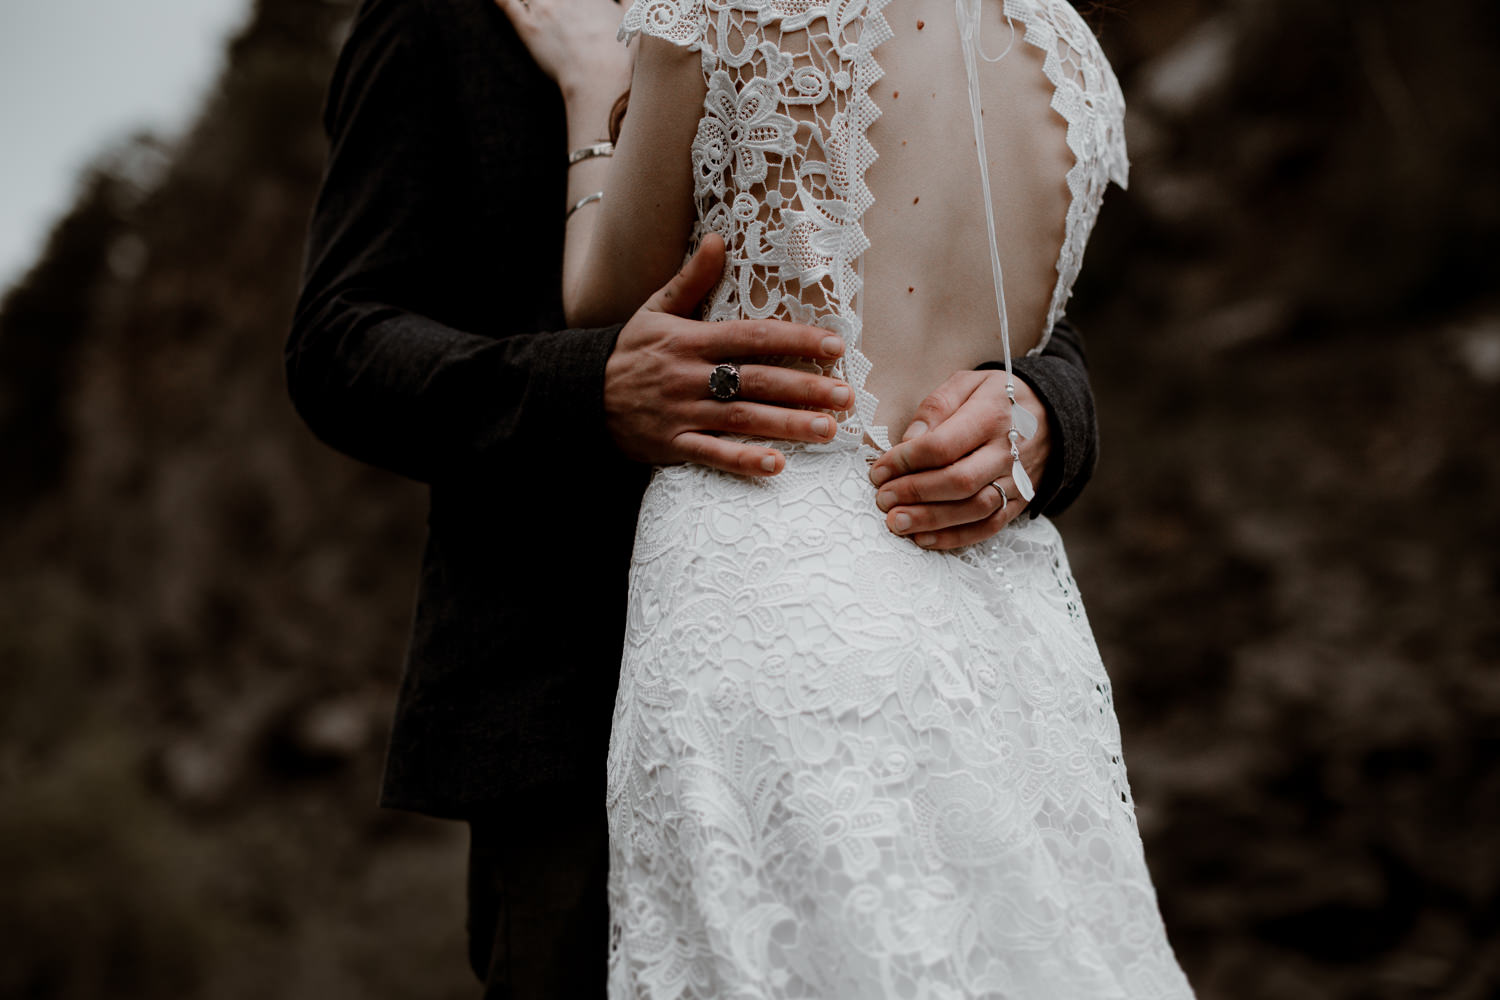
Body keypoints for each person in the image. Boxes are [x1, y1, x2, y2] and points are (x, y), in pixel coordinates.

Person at [286, 0, 1104, 995]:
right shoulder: (449, 18)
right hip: (567, 703)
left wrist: (1046, 414)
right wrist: (585, 393)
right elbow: (337, 340)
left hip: (897, 665)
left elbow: (963, 273)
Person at [496, 0, 1196, 995]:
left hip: (767, 582)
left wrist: (587, 98)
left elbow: (607, 303)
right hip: (994, 611)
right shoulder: (1074, 63)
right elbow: (1022, 343)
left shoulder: (720, 11)